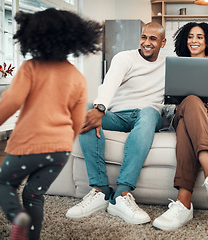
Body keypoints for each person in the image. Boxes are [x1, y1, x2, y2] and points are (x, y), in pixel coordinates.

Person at [0, 8, 102, 240]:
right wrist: (64, 144)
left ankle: (17, 218)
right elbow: (78, 120)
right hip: (59, 151)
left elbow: (10, 103)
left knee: (3, 185)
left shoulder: (30, 68)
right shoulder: (77, 78)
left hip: (27, 146)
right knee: (34, 194)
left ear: (34, 37)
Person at [65, 22, 167, 225]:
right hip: (117, 115)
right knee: (85, 109)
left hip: (147, 116)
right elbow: (109, 82)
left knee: (148, 112)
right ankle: (100, 190)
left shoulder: (170, 65)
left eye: (153, 39)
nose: (146, 43)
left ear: (163, 43)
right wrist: (99, 108)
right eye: (144, 37)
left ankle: (121, 194)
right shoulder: (124, 58)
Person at [152, 22, 208, 230]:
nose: (194, 41)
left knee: (187, 125)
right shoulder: (175, 65)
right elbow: (165, 104)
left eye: (200, 37)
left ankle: (184, 203)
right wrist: (176, 109)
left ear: (207, 40)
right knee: (191, 101)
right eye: (191, 36)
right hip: (182, 114)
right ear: (185, 40)